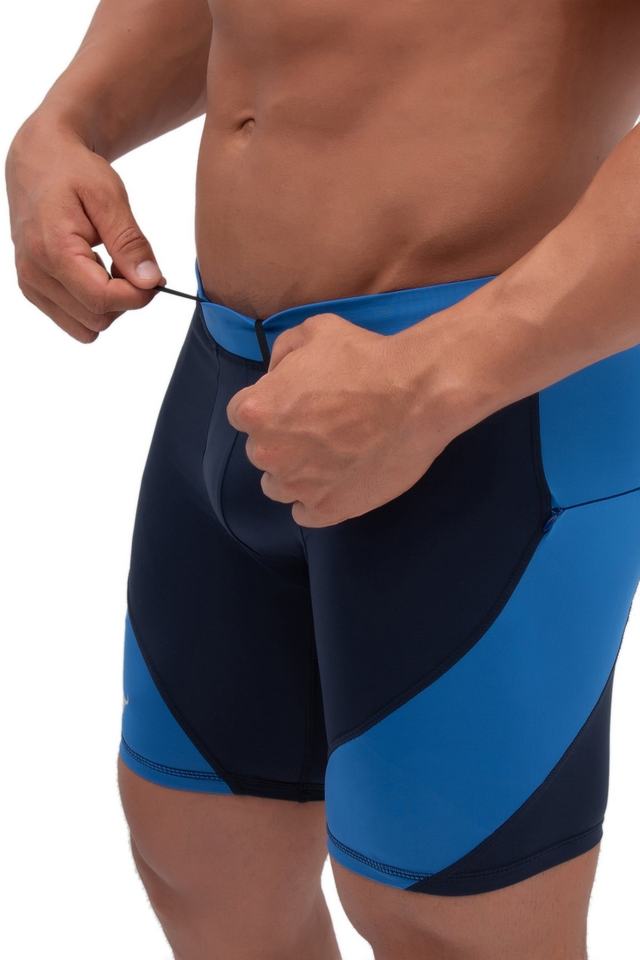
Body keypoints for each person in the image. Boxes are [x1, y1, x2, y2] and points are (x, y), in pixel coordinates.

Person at [6, 1, 640, 957]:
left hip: (494, 404)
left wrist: (432, 380)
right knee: (200, 851)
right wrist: (68, 120)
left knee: (447, 924)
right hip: (228, 369)